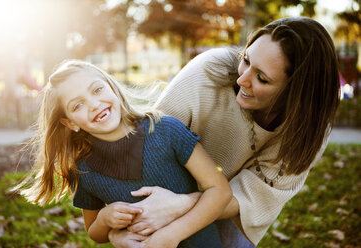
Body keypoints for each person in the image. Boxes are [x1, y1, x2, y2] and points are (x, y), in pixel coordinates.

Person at [108, 17, 340, 247]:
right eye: (246, 60)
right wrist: (121, 226)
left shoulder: (308, 132)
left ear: (296, 93)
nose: (242, 79)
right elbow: (148, 151)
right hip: (163, 189)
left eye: (262, 78)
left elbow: (252, 197)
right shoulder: (207, 73)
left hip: (229, 211)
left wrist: (181, 205)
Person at [15, 60, 232, 248]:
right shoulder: (83, 169)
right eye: (78, 105)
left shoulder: (166, 130)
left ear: (112, 86)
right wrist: (105, 219)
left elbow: (220, 191)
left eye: (97, 90)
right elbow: (94, 232)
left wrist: (172, 234)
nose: (94, 104)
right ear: (70, 123)